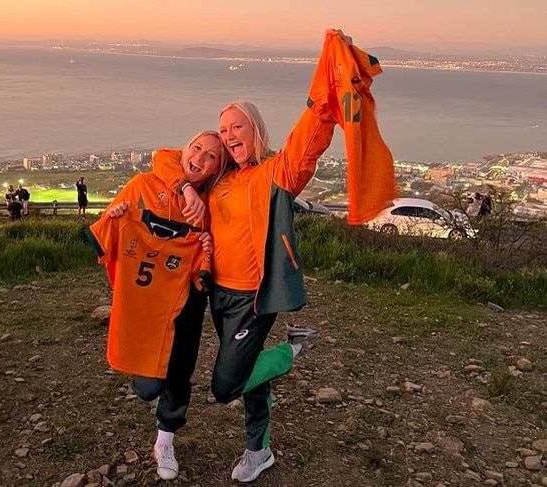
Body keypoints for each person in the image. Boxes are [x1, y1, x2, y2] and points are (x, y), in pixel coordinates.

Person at [153, 29, 396, 483]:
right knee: (249, 377)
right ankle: (257, 451)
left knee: (226, 385)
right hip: (217, 296)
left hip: (252, 300)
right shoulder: (219, 177)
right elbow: (165, 158)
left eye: (235, 127)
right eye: (222, 130)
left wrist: (326, 85)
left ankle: (292, 348)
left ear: (254, 128)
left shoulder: (274, 173)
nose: (227, 136)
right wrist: (188, 185)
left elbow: (313, 134)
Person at [85, 131, 230, 481]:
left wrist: (208, 243)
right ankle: (151, 385)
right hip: (147, 299)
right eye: (196, 148)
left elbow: (222, 246)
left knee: (180, 373)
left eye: (211, 156)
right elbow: (104, 235)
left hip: (188, 299)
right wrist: (115, 217)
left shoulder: (214, 204)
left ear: (216, 168)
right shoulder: (144, 184)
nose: (200, 158)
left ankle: (165, 439)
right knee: (148, 387)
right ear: (185, 150)